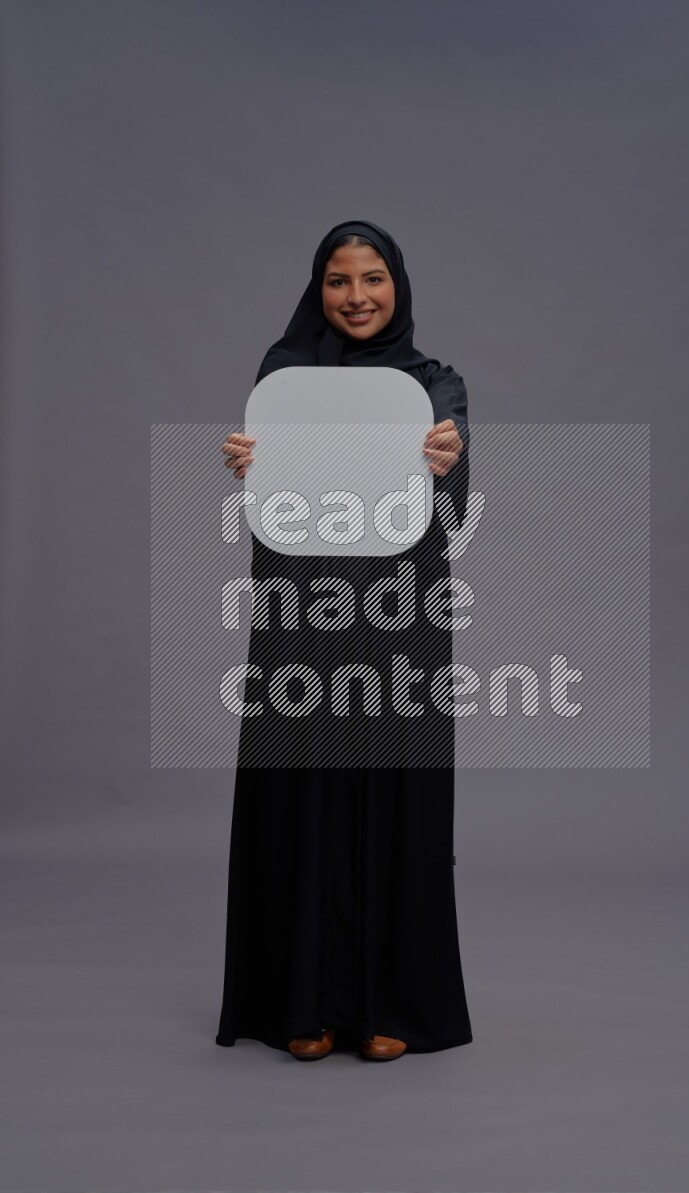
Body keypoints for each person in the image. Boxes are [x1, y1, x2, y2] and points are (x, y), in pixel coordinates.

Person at [215, 219, 473, 1061]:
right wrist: (250, 468)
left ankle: (390, 1003)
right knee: (303, 786)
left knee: (396, 790)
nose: (356, 296)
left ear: (398, 284)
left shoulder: (436, 385)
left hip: (398, 614)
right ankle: (304, 1002)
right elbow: (275, 509)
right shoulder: (284, 377)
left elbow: (450, 517)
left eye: (372, 278)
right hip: (305, 617)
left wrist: (449, 461)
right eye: (337, 279)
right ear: (316, 288)